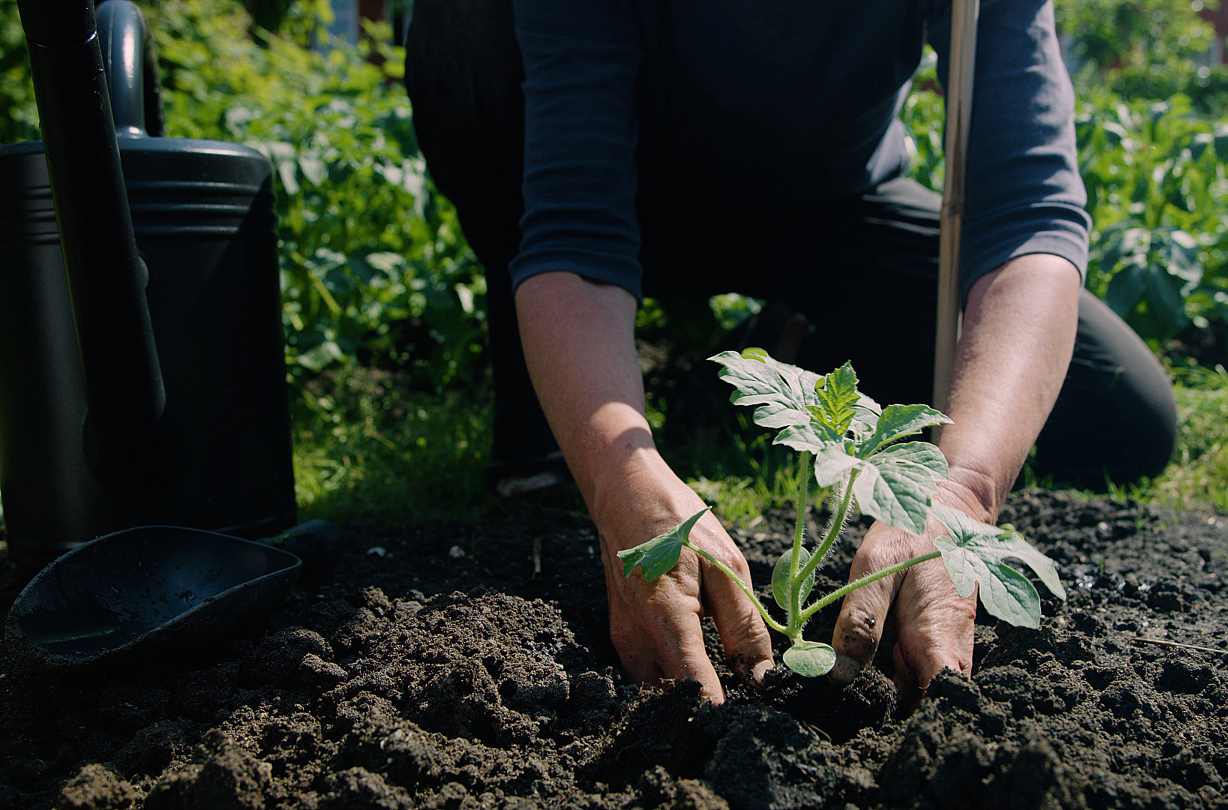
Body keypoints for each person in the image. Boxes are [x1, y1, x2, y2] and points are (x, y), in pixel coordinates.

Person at [404, 0, 1177, 703]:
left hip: (837, 206)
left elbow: (1028, 213)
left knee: (1117, 410)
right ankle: (542, 407)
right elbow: (575, 229)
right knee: (467, 20)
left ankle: (784, 340)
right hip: (635, 188)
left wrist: (961, 490)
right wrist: (617, 476)